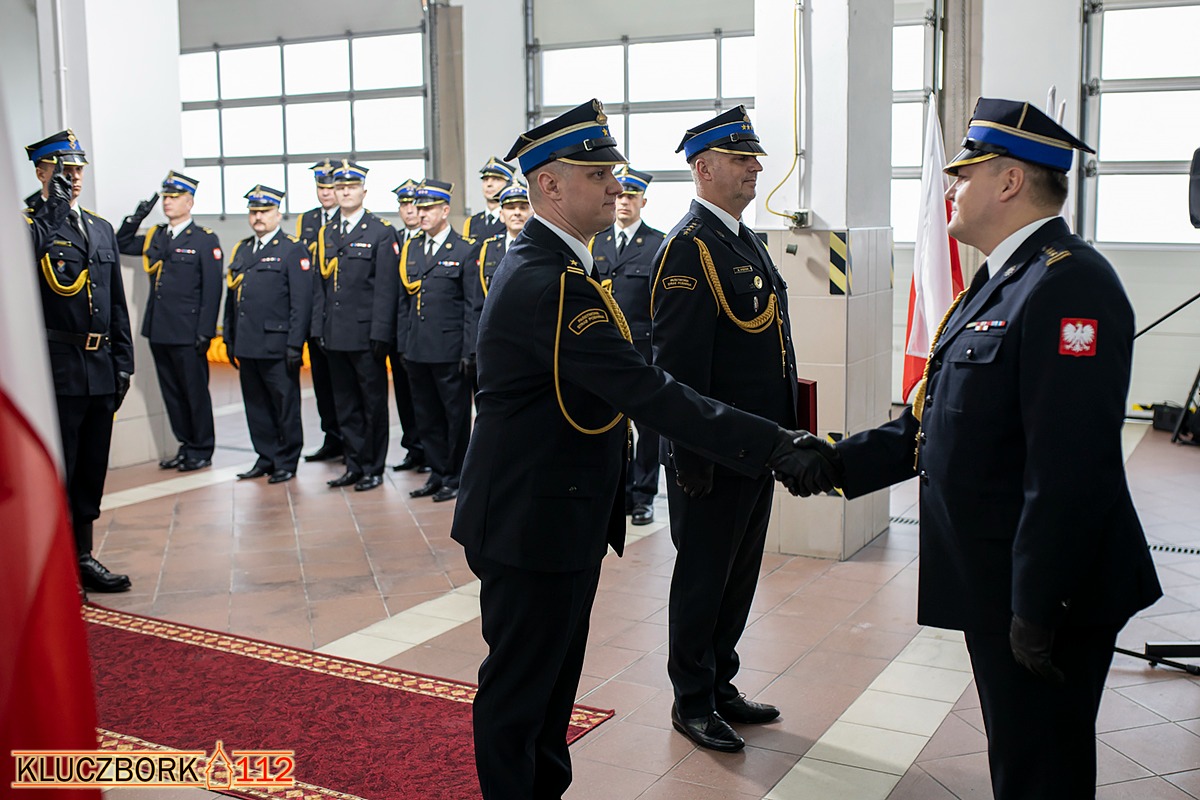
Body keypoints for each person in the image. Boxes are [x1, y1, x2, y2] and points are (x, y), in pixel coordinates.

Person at [449, 99, 831, 800]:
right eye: (596, 175)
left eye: (612, 174)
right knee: (522, 692)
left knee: (550, 688)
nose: (613, 187)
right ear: (549, 185)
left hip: (557, 513)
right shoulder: (549, 282)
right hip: (531, 519)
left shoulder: (562, 266)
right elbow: (652, 391)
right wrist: (775, 443)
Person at [797, 98, 1164, 799]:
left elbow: (1069, 468)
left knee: (1040, 772)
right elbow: (939, 421)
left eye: (963, 176)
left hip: (1048, 591)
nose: (950, 190)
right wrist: (835, 463)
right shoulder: (1000, 282)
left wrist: (1039, 603)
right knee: (1021, 758)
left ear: (1010, 181)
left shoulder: (1068, 284)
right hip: (1001, 581)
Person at [651, 107, 800, 752]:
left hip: (754, 447)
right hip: (711, 454)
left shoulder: (743, 239)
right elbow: (677, 369)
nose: (755, 168)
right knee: (703, 578)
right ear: (703, 168)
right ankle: (691, 699)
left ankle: (720, 683)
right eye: (741, 159)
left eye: (754, 158)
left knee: (738, 576)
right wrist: (692, 456)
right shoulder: (689, 248)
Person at [24, 129, 134, 593]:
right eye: (63, 169)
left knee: (90, 468)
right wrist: (51, 210)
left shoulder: (99, 227)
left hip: (100, 366)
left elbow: (115, 302)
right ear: (41, 171)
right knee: (59, 470)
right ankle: (53, 564)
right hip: (58, 367)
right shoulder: (27, 225)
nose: (73, 177)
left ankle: (83, 556)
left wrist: (124, 362)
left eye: (77, 169)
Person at [116, 170, 222, 472]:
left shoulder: (204, 239)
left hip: (189, 332)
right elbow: (121, 242)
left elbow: (212, 289)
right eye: (165, 197)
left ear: (189, 202)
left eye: (174, 197)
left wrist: (205, 331)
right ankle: (185, 445)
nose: (168, 202)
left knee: (194, 393)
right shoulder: (157, 236)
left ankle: (202, 449)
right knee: (172, 393)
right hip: (159, 329)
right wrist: (137, 216)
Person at [310, 160, 400, 492]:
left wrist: (381, 332)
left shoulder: (380, 231)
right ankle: (354, 463)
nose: (345, 192)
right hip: (334, 333)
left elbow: (386, 288)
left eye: (351, 187)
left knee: (372, 404)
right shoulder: (327, 232)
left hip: (366, 335)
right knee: (344, 404)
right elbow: (320, 286)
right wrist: (318, 327)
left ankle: (373, 467)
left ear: (363, 191)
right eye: (340, 187)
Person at [589, 165, 665, 526]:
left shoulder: (657, 244)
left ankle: (644, 495)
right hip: (605, 349)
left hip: (643, 349)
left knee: (647, 427)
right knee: (608, 424)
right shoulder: (596, 241)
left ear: (642, 202)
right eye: (619, 195)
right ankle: (618, 492)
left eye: (631, 197)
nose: (623, 202)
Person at [223, 185, 312, 484]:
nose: (258, 217)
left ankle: (287, 460)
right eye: (254, 212)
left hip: (277, 343)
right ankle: (266, 457)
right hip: (247, 343)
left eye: (264, 211)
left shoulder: (292, 249)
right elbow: (232, 298)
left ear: (278, 214)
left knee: (284, 405)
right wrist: (229, 337)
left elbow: (301, 302)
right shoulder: (243, 249)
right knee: (256, 405)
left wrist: (295, 344)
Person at [398, 178, 478, 502]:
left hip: (449, 350)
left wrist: (469, 350)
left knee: (454, 417)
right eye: (419, 208)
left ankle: (455, 475)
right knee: (426, 415)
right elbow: (404, 302)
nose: (422, 213)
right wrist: (403, 344)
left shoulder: (464, 249)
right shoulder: (412, 247)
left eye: (429, 208)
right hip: (417, 348)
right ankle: (436, 471)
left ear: (445, 211)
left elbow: (471, 306)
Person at [297, 158, 344, 464]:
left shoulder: (350, 220)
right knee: (322, 383)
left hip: (341, 315)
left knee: (344, 385)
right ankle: (332, 437)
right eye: (321, 187)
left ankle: (351, 441)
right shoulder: (309, 220)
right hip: (315, 313)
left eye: (331, 187)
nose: (326, 192)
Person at [469, 179, 530, 396]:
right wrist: (474, 347)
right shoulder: (488, 249)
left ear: (532, 212)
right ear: (501, 214)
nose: (517, 213)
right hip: (495, 342)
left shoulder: (544, 248)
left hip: (531, 342)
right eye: (511, 207)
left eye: (523, 207)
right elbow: (477, 302)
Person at [388, 178, 427, 473]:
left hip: (424, 332)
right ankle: (413, 447)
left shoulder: (428, 240)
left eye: (414, 204)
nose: (409, 210)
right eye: (403, 205)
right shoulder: (393, 239)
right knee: (403, 394)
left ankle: (430, 450)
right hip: (397, 332)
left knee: (426, 398)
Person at [461, 156, 514, 242]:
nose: (489, 184)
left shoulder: (514, 219)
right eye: (485, 179)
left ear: (508, 184)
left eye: (496, 179)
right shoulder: (472, 222)